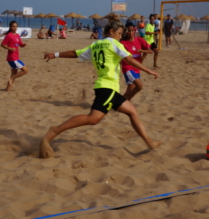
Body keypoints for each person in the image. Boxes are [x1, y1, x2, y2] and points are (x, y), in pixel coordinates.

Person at [40, 13, 162, 159]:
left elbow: (76, 53)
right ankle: (55, 130)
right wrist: (148, 70)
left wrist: (56, 54)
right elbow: (129, 59)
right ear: (111, 32)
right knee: (93, 119)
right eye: (119, 33)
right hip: (107, 87)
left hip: (105, 87)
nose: (120, 36)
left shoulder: (96, 44)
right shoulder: (114, 43)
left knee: (132, 111)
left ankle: (149, 142)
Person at [121, 23, 153, 101]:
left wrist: (143, 51)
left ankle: (119, 104)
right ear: (125, 32)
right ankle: (125, 103)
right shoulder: (123, 43)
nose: (131, 32)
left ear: (135, 31)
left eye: (132, 30)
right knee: (139, 86)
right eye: (129, 31)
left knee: (129, 91)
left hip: (137, 68)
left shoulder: (139, 40)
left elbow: (150, 51)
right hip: (127, 68)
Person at [1, 21, 28, 91]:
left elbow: (20, 44)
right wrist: (9, 48)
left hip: (16, 57)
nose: (15, 28)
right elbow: (2, 44)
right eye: (13, 26)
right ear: (10, 27)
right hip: (12, 58)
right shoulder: (9, 35)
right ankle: (11, 79)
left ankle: (7, 89)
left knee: (14, 74)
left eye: (16, 26)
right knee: (25, 70)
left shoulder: (17, 35)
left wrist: (23, 45)